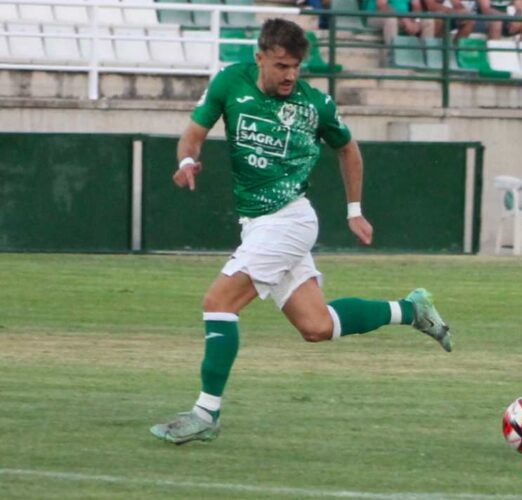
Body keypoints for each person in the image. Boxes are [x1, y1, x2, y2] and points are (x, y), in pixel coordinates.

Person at [150, 18, 454, 445]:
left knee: (218, 302)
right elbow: (193, 135)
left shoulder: (315, 106)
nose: (290, 75)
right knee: (317, 325)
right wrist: (186, 163)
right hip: (259, 224)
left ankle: (206, 412)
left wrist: (354, 210)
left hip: (288, 221)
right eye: (281, 66)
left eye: (296, 66)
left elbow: (347, 147)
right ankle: (410, 309)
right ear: (260, 58)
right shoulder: (228, 83)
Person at [364, 0, 434, 43]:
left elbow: (416, 6)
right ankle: (391, 55)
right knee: (391, 20)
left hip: (403, 19)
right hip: (377, 16)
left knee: (428, 21)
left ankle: (426, 56)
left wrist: (416, 21)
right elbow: (382, 6)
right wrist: (404, 19)